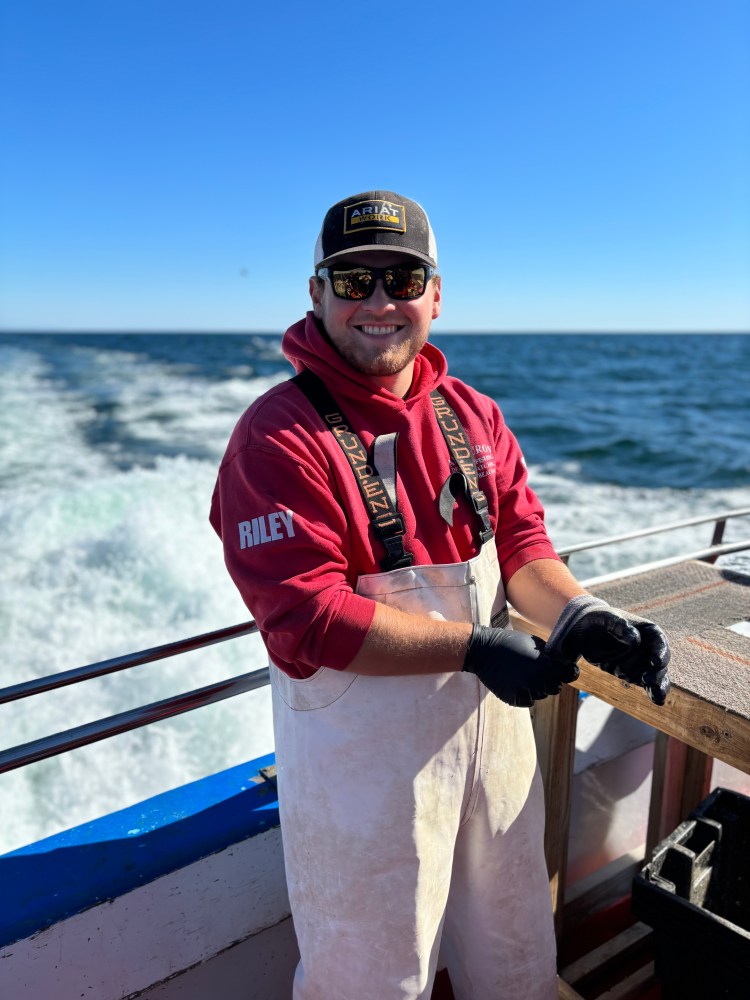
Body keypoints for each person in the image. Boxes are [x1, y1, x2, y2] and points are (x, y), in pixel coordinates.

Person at [210, 190, 671, 1000]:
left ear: (436, 293)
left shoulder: (475, 415)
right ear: (315, 294)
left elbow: (523, 544)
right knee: (370, 982)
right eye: (352, 281)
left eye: (403, 277)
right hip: (363, 780)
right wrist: (475, 648)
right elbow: (307, 619)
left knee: (518, 952)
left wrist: (583, 614)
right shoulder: (274, 439)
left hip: (496, 746)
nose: (380, 302)